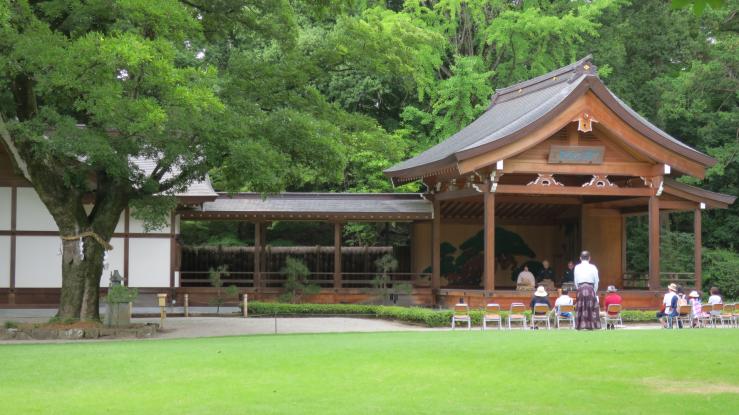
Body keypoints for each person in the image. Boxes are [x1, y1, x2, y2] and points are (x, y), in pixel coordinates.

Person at [574, 251, 601, 330]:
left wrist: (579, 289)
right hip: (590, 288)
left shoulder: (577, 267)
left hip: (580, 288)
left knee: (580, 307)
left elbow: (575, 281)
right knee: (591, 307)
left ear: (580, 258)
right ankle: (592, 325)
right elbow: (596, 281)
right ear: (589, 258)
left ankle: (580, 326)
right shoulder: (593, 267)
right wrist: (594, 291)